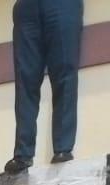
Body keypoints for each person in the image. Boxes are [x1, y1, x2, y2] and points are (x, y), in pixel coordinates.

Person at [5, 0, 82, 172]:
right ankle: (23, 154)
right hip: (26, 7)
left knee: (64, 73)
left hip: (62, 5)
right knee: (25, 79)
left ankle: (63, 147)